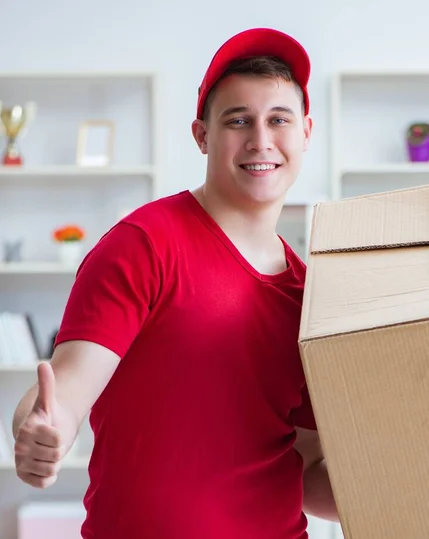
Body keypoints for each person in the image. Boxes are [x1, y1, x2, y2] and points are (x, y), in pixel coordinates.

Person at [11, 27, 338, 539]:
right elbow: (65, 390)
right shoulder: (143, 245)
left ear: (306, 132)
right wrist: (42, 428)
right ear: (202, 135)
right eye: (238, 120)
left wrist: (414, 489)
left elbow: (306, 468)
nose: (261, 140)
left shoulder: (310, 292)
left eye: (279, 120)